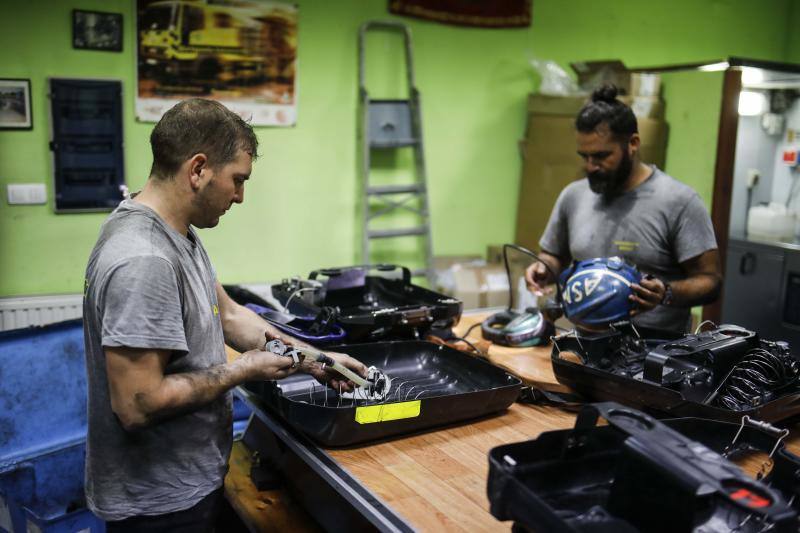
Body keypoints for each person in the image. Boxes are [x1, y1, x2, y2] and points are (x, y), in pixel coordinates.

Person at [82, 98, 367, 532]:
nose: (239, 196)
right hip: (160, 506)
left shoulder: (177, 234)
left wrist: (317, 361)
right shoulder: (145, 259)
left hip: (190, 481)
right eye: (237, 180)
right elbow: (138, 404)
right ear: (198, 170)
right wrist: (243, 370)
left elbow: (230, 315)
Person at [525, 84, 722, 334]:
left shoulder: (679, 202)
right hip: (585, 343)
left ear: (633, 143)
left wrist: (667, 293)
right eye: (584, 156)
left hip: (654, 353)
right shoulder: (573, 195)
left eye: (601, 156)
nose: (590, 166)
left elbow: (711, 281)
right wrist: (543, 268)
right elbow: (554, 255)